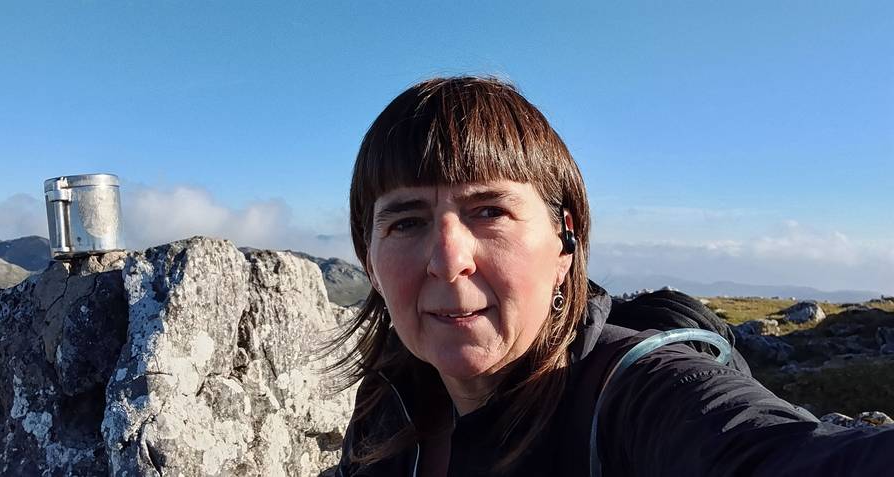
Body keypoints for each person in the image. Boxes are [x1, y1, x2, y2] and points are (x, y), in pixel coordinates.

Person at [329, 76, 892, 476]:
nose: (448, 259)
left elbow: (771, 452)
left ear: (565, 242)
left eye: (490, 211)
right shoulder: (389, 397)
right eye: (406, 222)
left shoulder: (640, 398)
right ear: (369, 260)